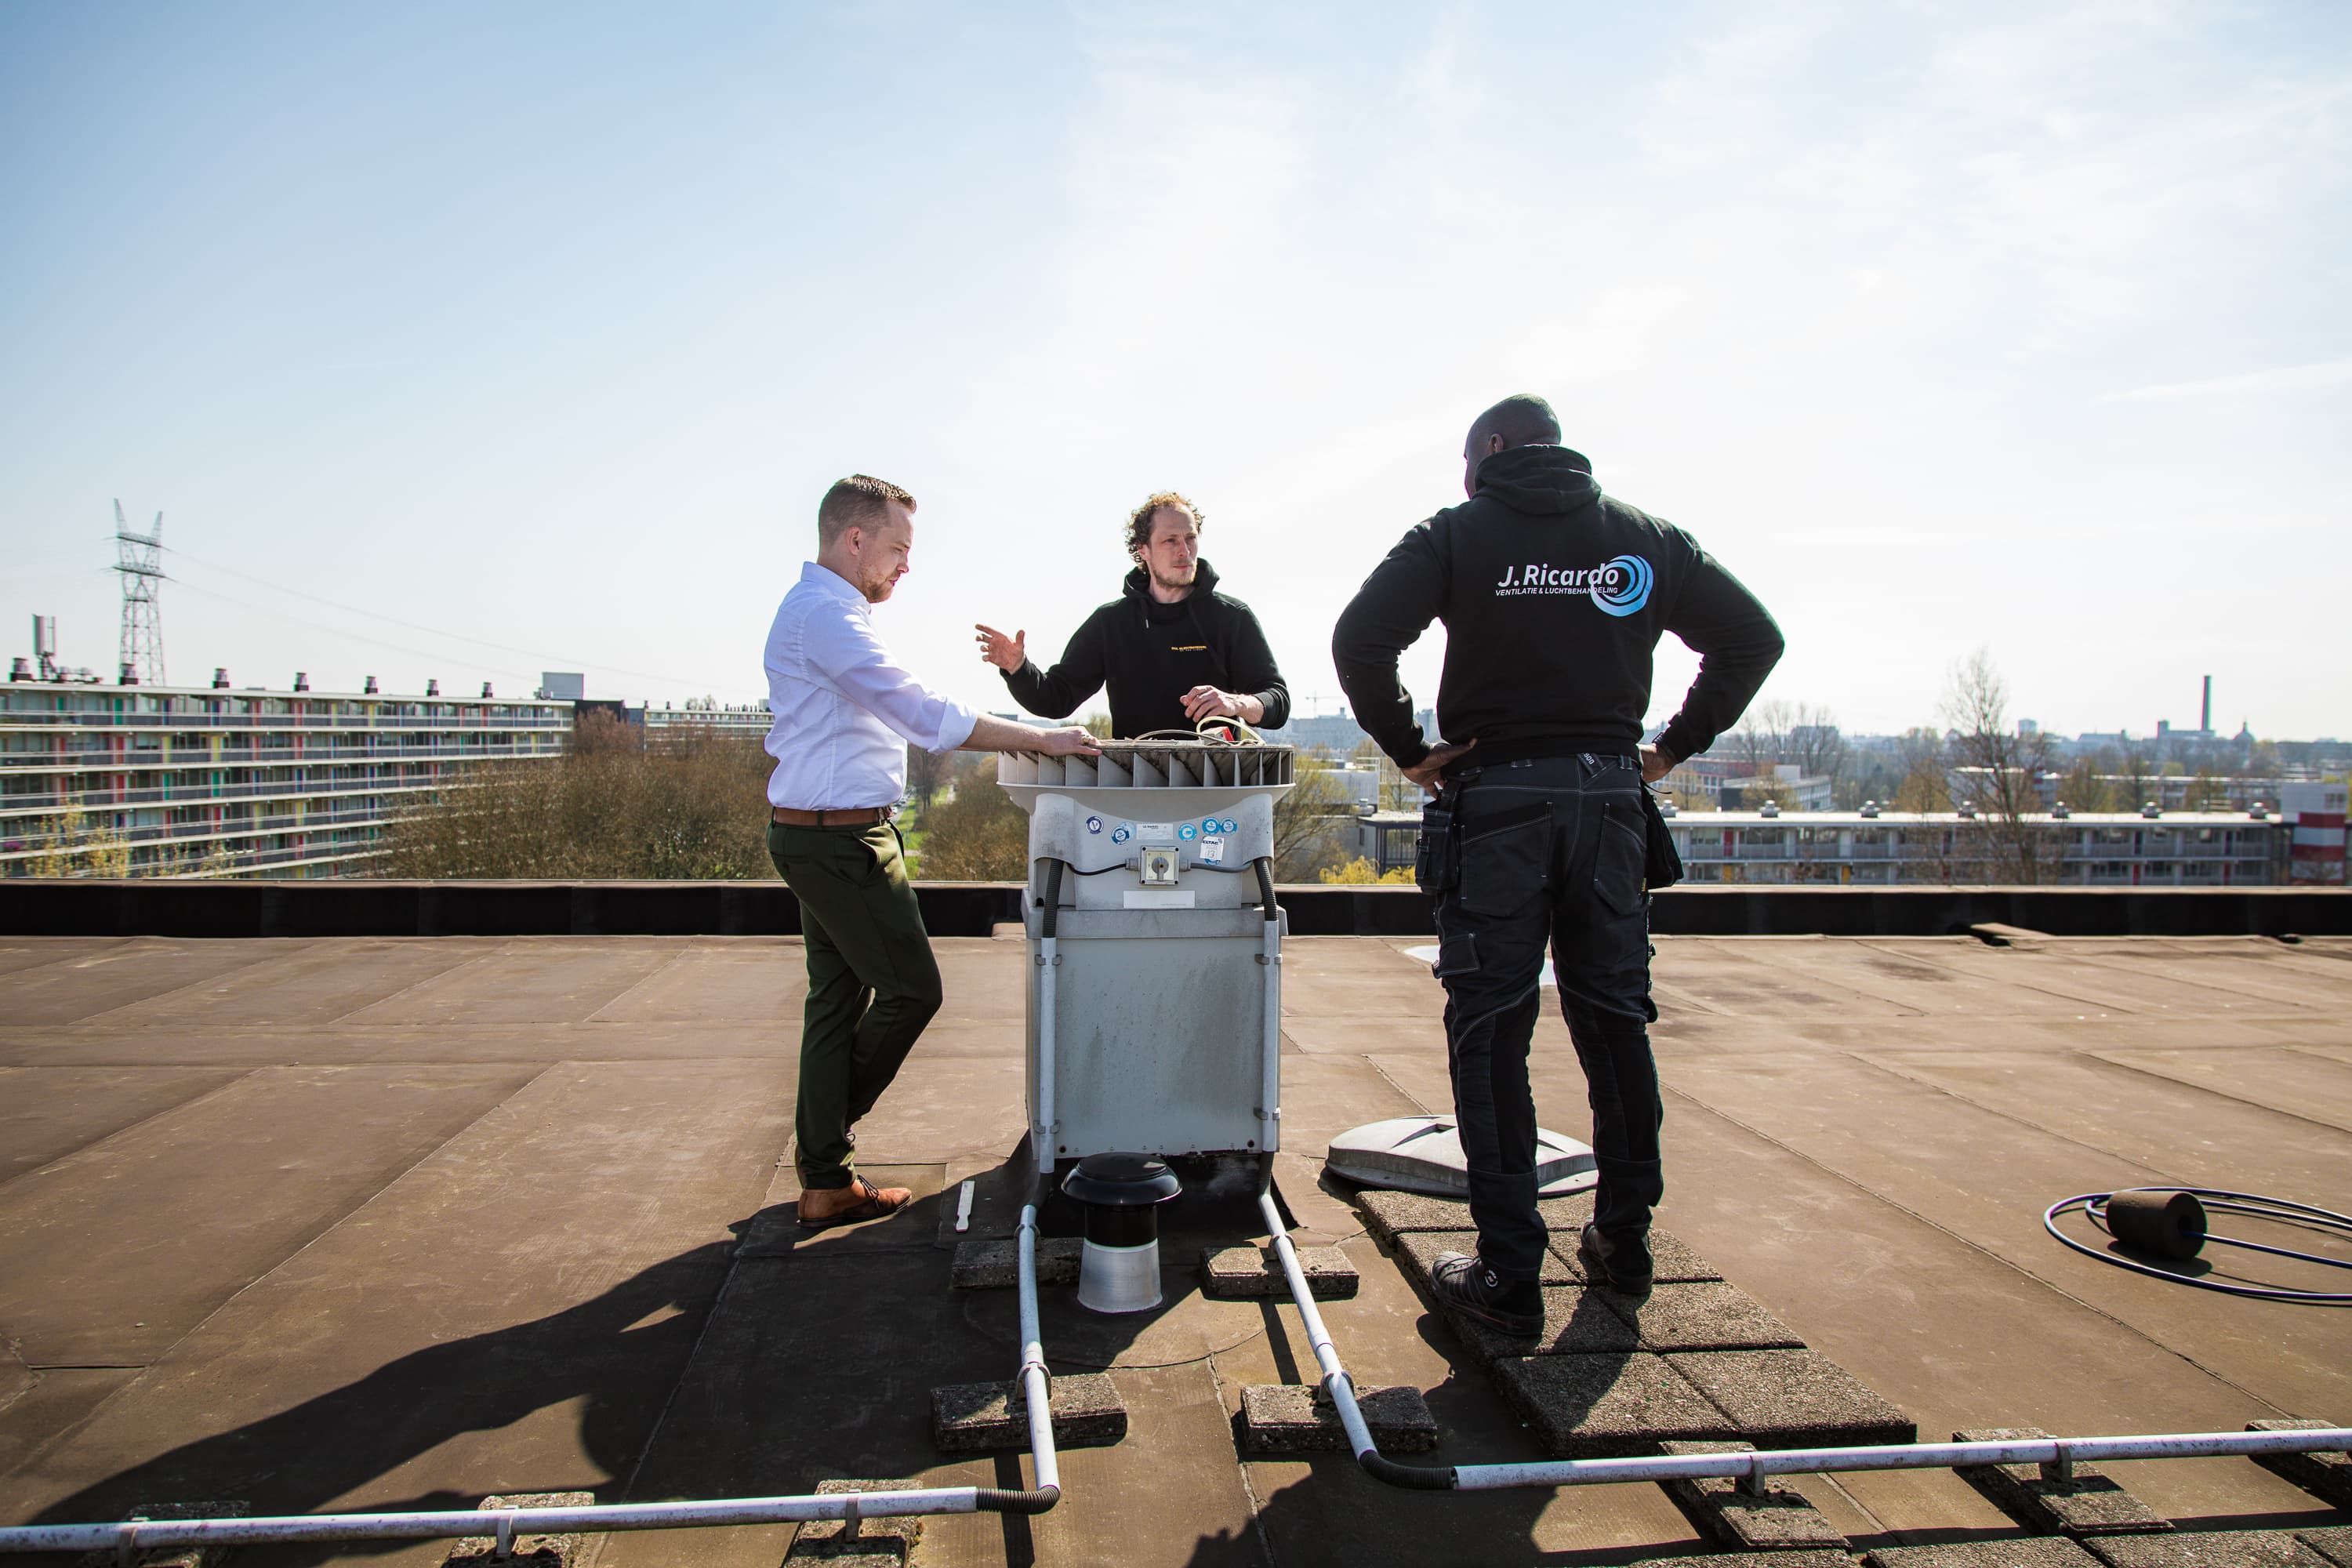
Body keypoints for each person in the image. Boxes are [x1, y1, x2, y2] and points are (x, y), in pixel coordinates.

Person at [1331, 395, 1783, 1332]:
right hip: (1611, 805)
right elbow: (1752, 637)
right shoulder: (1644, 538)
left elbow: (1360, 639)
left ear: (1493, 449)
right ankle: (1623, 1239)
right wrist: (1673, 745)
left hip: (1497, 804)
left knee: (1493, 1029)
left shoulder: (1455, 534)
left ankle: (1508, 1274)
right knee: (1615, 1022)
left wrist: (1410, 748)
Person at [765, 474, 1100, 1229]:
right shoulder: (826, 617)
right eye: (898, 549)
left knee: (836, 999)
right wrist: (1043, 738)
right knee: (912, 991)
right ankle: (822, 1146)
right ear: (856, 539)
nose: (906, 566)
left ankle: (824, 1177)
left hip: (827, 831)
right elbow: (920, 713)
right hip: (839, 839)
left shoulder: (825, 610)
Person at [975, 492, 1290, 738]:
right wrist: (1018, 669)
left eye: (1190, 538)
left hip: (1216, 784)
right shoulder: (1111, 623)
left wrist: (1237, 703)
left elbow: (1277, 700)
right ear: (1143, 549)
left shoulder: (1232, 617)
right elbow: (1056, 700)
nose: (1184, 551)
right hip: (1136, 783)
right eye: (1170, 540)